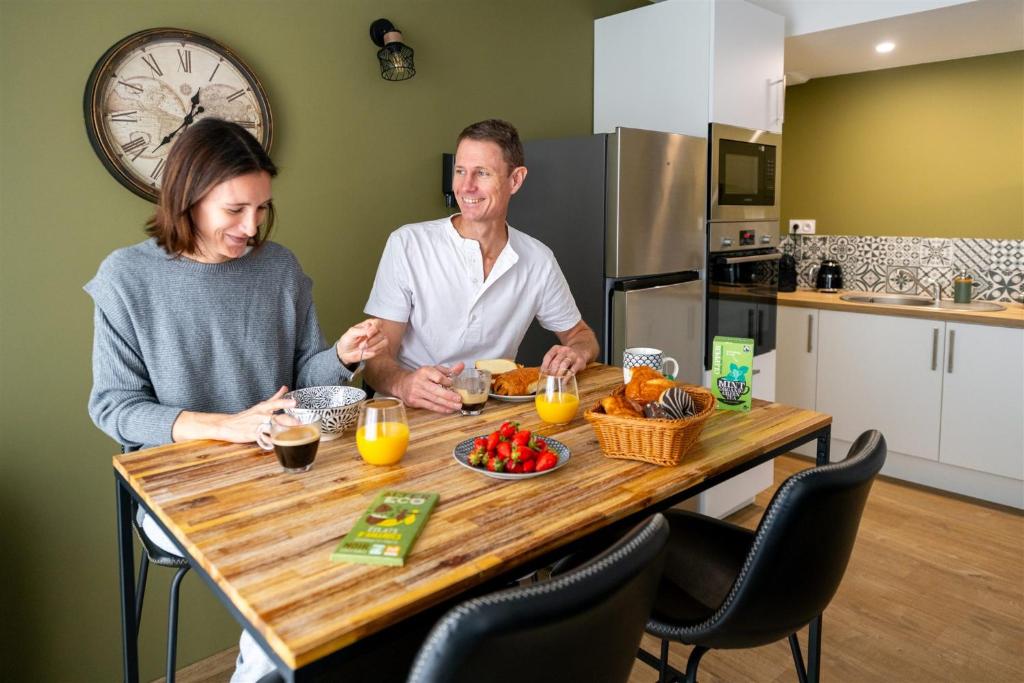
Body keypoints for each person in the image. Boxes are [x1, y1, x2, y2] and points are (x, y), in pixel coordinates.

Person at [85, 117, 386, 682]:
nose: (252, 227)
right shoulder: (127, 278)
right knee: (288, 552)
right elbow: (114, 406)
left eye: (262, 209)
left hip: (284, 464)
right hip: (179, 485)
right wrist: (229, 427)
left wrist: (343, 356)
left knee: (375, 522)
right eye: (234, 210)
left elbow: (302, 380)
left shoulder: (280, 268)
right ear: (188, 199)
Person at [364, 119, 599, 412]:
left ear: (515, 180)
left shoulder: (538, 259)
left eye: (482, 173)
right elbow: (375, 360)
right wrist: (404, 385)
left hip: (492, 412)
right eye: (460, 171)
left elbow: (581, 336)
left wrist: (575, 353)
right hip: (413, 414)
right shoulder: (408, 243)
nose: (466, 186)